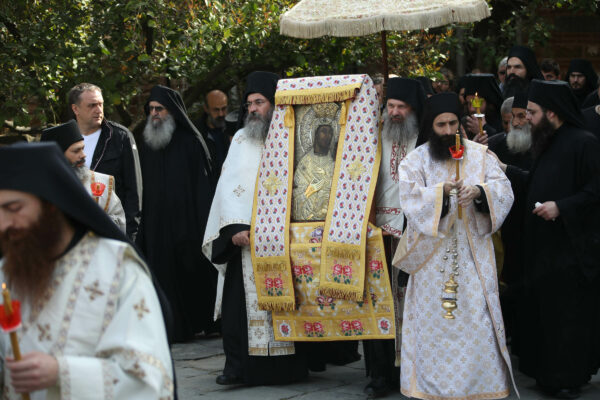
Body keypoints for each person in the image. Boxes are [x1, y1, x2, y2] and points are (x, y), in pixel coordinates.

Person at [0, 142, 173, 399]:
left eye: (14, 209)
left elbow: (148, 379)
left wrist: (62, 373)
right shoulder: (6, 272)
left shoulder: (118, 270)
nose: (3, 224)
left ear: (51, 204)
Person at [394, 92, 517, 400]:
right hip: (432, 258)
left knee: (477, 319)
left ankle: (480, 386)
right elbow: (409, 199)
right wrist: (441, 194)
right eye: (441, 125)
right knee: (433, 323)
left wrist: (479, 192)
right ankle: (430, 386)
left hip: (473, 252)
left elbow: (504, 190)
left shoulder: (481, 155)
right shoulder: (415, 160)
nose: (448, 131)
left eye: (452, 123)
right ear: (430, 126)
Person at [496, 79, 600, 399]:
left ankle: (568, 378)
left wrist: (561, 207)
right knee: (545, 314)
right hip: (543, 248)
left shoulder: (584, 142)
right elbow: (537, 183)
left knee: (567, 317)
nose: (526, 117)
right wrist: (506, 169)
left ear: (552, 112)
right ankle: (546, 374)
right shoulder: (546, 140)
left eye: (532, 112)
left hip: (571, 250)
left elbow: (595, 191)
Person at [203, 71, 308, 386]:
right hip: (247, 239)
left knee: (291, 301)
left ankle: (288, 369)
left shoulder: (296, 135)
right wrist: (234, 228)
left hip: (286, 238)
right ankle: (238, 368)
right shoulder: (240, 138)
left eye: (259, 102)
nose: (252, 109)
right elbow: (229, 186)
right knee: (240, 307)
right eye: (249, 103)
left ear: (275, 103)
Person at [136, 85, 216, 343]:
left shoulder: (191, 142)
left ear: (172, 111)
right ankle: (173, 328)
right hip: (156, 225)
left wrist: (203, 225)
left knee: (190, 273)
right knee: (162, 274)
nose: (154, 114)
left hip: (187, 224)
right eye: (151, 109)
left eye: (159, 109)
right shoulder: (146, 144)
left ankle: (199, 323)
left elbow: (203, 188)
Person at [365, 77, 425, 398]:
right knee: (378, 303)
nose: (395, 112)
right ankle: (379, 373)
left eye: (402, 106)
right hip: (376, 233)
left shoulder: (425, 139)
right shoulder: (371, 134)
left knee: (410, 303)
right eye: (390, 106)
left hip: (411, 232)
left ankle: (410, 371)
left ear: (413, 109)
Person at [487, 91, 533, 344]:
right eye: (512, 117)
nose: (516, 122)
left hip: (531, 224)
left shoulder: (543, 143)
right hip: (504, 225)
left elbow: (536, 182)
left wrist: (506, 169)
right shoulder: (495, 144)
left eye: (522, 116)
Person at [68, 83, 141, 239]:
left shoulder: (120, 137)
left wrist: (130, 236)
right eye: (92, 105)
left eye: (100, 104)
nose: (98, 110)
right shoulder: (63, 138)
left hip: (111, 228)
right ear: (75, 109)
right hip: (73, 230)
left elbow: (133, 191)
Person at [40, 120, 126, 231]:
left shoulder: (101, 182)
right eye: (76, 151)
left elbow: (119, 222)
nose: (83, 155)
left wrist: (93, 220)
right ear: (57, 156)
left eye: (83, 148)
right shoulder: (37, 189)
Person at [292, 124, 335, 221]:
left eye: (330, 133)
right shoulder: (304, 163)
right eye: (324, 131)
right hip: (306, 218)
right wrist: (308, 191)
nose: (327, 136)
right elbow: (295, 199)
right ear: (315, 134)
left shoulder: (333, 164)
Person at [195, 89, 230, 173]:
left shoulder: (233, 129)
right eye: (216, 110)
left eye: (224, 109)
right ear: (206, 109)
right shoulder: (196, 134)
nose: (221, 114)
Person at [462, 73, 504, 140]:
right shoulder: (465, 122)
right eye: (468, 103)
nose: (471, 109)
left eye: (476, 103)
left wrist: (484, 129)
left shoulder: (503, 121)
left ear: (489, 103)